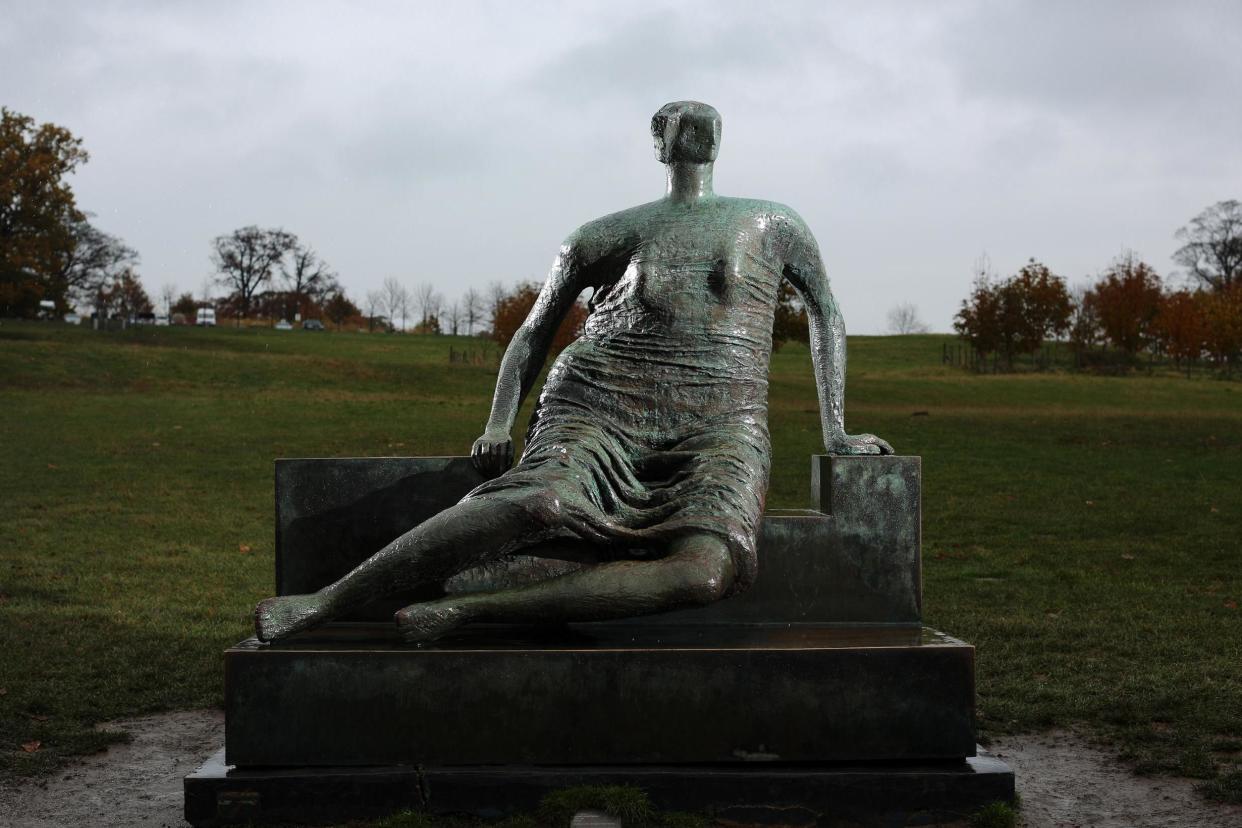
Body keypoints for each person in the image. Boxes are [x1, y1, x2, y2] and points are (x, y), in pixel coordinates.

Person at [255, 101, 892, 644]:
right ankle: (328, 601)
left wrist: (836, 431)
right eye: (674, 120)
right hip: (602, 404)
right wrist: (499, 420)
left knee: (703, 572)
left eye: (704, 118)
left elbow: (825, 312)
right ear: (658, 144)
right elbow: (533, 331)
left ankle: (467, 613)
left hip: (723, 424)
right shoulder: (604, 234)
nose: (695, 122)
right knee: (536, 500)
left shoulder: (774, 224)